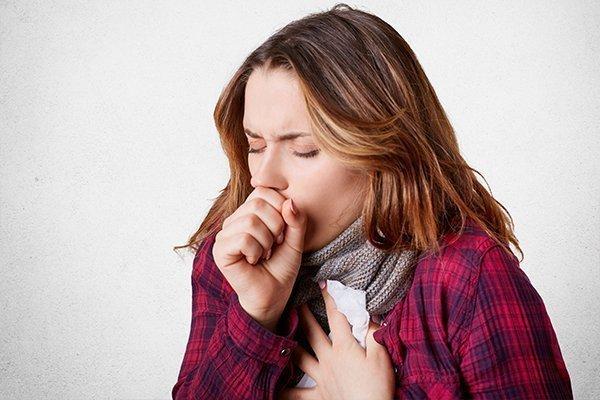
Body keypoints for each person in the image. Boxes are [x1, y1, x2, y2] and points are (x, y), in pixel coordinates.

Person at [171, 4, 573, 399]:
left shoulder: (469, 278)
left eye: (304, 150)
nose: (262, 178)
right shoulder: (231, 258)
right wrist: (256, 313)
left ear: (382, 155)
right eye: (255, 146)